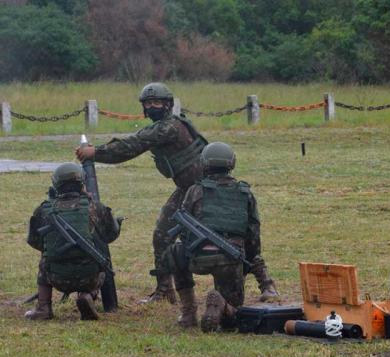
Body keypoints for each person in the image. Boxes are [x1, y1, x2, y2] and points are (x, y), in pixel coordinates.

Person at [75, 83, 278, 304]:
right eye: (148, 103)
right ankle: (164, 290)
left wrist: (95, 152)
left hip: (206, 189)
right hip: (187, 189)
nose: (152, 106)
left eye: (157, 102)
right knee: (163, 235)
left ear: (167, 105)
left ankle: (267, 284)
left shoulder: (167, 128)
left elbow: (132, 145)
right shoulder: (167, 125)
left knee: (230, 233)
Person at [171, 142, 271, 332]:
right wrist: (247, 262)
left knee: (175, 251)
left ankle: (188, 312)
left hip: (198, 258)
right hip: (231, 260)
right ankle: (223, 305)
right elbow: (253, 235)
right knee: (232, 321)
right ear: (232, 163)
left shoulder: (195, 191)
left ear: (204, 164)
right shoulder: (245, 193)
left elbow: (184, 231)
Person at [25, 162, 121, 320]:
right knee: (102, 262)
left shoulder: (44, 210)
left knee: (45, 258)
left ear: (56, 183)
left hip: (56, 277)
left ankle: (43, 307)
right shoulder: (95, 207)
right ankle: (88, 295)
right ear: (82, 183)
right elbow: (110, 236)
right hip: (90, 277)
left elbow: (35, 242)